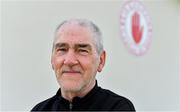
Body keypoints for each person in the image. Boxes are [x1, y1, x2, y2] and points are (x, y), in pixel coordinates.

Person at [31, 19, 135, 111]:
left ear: (101, 60)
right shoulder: (40, 110)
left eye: (82, 50)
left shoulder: (117, 108)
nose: (69, 61)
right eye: (62, 49)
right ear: (52, 59)